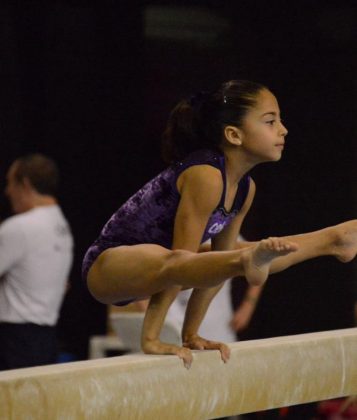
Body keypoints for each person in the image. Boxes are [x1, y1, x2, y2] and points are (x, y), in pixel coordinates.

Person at [83, 80, 357, 369]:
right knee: (214, 258)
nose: (283, 129)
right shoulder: (205, 174)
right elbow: (179, 263)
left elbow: (216, 270)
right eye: (270, 121)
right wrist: (151, 338)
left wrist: (191, 334)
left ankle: (330, 241)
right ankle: (251, 257)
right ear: (234, 134)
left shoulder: (244, 189)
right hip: (109, 265)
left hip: (157, 267)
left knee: (233, 258)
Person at [0, 154, 74, 370]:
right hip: (46, 339)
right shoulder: (61, 225)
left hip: (14, 341)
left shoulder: (20, 227)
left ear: (25, 184)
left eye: (10, 183)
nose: (7, 192)